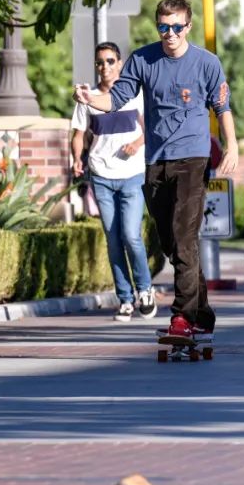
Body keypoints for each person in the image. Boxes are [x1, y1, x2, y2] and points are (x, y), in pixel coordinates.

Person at [73, 0, 238, 340]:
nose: (170, 34)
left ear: (188, 27)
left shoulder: (206, 63)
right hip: (155, 161)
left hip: (193, 158)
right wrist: (90, 99)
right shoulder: (143, 60)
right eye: (164, 27)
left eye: (177, 27)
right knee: (171, 243)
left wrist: (232, 146)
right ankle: (202, 312)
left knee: (184, 236)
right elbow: (115, 99)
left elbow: (222, 107)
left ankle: (182, 317)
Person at [71, 42, 157, 322]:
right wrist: (76, 158)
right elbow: (78, 135)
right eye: (100, 62)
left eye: (110, 61)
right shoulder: (88, 97)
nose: (105, 66)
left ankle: (145, 290)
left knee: (131, 235)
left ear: (120, 64)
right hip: (102, 176)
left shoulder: (134, 94)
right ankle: (125, 299)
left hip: (132, 175)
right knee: (113, 239)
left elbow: (151, 129)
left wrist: (137, 143)